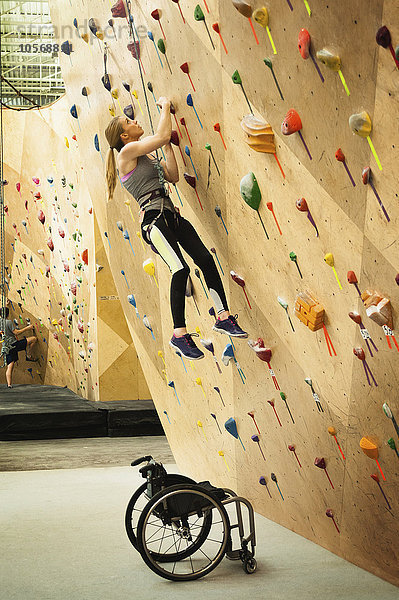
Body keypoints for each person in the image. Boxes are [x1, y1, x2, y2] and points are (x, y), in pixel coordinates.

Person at [105, 97, 247, 360]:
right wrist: (164, 107)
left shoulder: (143, 156)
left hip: (170, 215)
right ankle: (178, 334)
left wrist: (168, 148)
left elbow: (172, 176)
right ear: (125, 135)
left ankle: (223, 317)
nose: (135, 121)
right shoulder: (125, 154)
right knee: (179, 268)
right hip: (154, 222)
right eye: (129, 122)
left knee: (204, 258)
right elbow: (161, 134)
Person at [1, 307, 37, 388]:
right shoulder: (8, 322)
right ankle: (29, 355)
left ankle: (9, 384)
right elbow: (16, 333)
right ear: (8, 314)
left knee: (10, 366)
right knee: (34, 339)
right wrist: (28, 328)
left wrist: (7, 305)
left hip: (6, 347)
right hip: (14, 345)